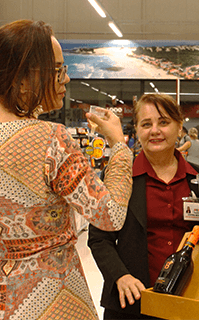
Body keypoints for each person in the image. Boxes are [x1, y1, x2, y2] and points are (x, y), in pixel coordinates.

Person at [0, 20, 133, 320]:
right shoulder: (50, 140)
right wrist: (119, 146)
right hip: (54, 300)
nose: (67, 78)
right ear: (22, 79)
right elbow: (110, 215)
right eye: (57, 70)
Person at [88, 93, 199, 320]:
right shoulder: (119, 176)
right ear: (136, 131)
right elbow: (99, 238)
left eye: (163, 122)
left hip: (190, 300)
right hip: (133, 300)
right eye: (146, 124)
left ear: (179, 127)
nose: (155, 130)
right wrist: (120, 276)